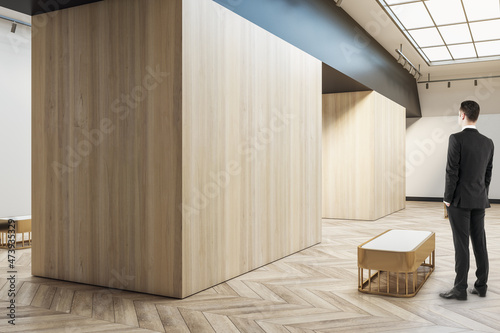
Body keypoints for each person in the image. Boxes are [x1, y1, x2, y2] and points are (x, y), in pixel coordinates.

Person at [440, 100, 494, 301]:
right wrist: (482, 194)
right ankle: (481, 286)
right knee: (480, 243)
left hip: (459, 201)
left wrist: (447, 198)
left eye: (458, 114)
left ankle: (460, 288)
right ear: (476, 116)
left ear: (462, 115)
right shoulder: (488, 142)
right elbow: (488, 174)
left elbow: (451, 172)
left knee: (461, 244)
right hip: (479, 200)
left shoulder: (456, 139)